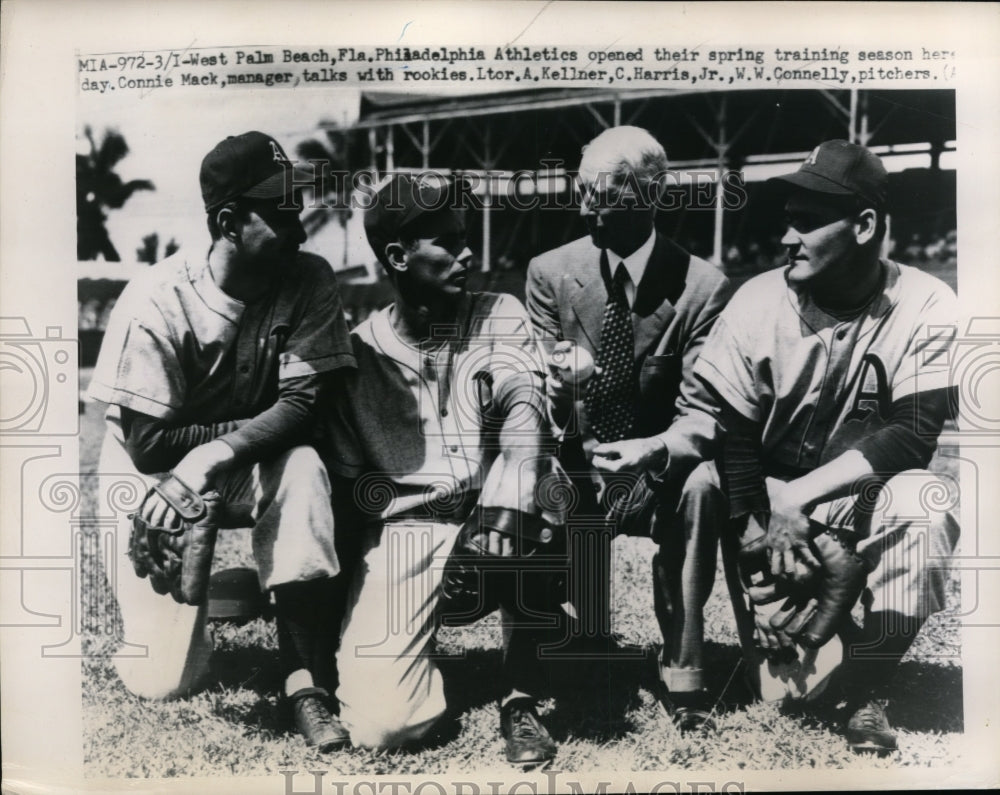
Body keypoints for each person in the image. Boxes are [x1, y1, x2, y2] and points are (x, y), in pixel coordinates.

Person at [88, 131, 357, 751]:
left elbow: (307, 410)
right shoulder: (156, 298)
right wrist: (219, 450)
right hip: (148, 472)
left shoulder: (309, 277)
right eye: (282, 209)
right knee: (164, 680)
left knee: (305, 467)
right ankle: (228, 592)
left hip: (238, 462)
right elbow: (151, 444)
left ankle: (305, 680)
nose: (300, 223)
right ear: (230, 221)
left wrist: (213, 454)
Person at [691, 139, 960, 754]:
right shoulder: (758, 299)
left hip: (855, 497)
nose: (787, 237)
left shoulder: (926, 302)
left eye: (808, 222)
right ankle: (806, 623)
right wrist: (760, 547)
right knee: (791, 696)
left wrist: (803, 498)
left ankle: (871, 688)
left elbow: (915, 434)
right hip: (766, 500)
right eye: (788, 218)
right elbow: (732, 440)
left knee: (925, 503)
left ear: (864, 225)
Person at [323, 173, 566, 764]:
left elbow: (524, 413)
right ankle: (407, 660)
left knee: (534, 479)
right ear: (399, 257)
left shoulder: (499, 313)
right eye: (447, 242)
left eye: (464, 237)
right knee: (385, 728)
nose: (466, 252)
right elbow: (349, 496)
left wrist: (502, 512)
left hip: (495, 509)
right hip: (407, 531)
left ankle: (520, 693)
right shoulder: (358, 354)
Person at [525, 126, 731, 731]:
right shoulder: (549, 271)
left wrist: (650, 450)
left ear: (653, 195)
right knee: (527, 495)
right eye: (582, 192)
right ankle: (568, 644)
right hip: (573, 467)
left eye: (605, 196)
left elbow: (704, 413)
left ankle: (684, 677)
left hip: (657, 468)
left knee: (703, 487)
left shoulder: (703, 287)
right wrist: (560, 392)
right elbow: (533, 401)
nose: (588, 208)